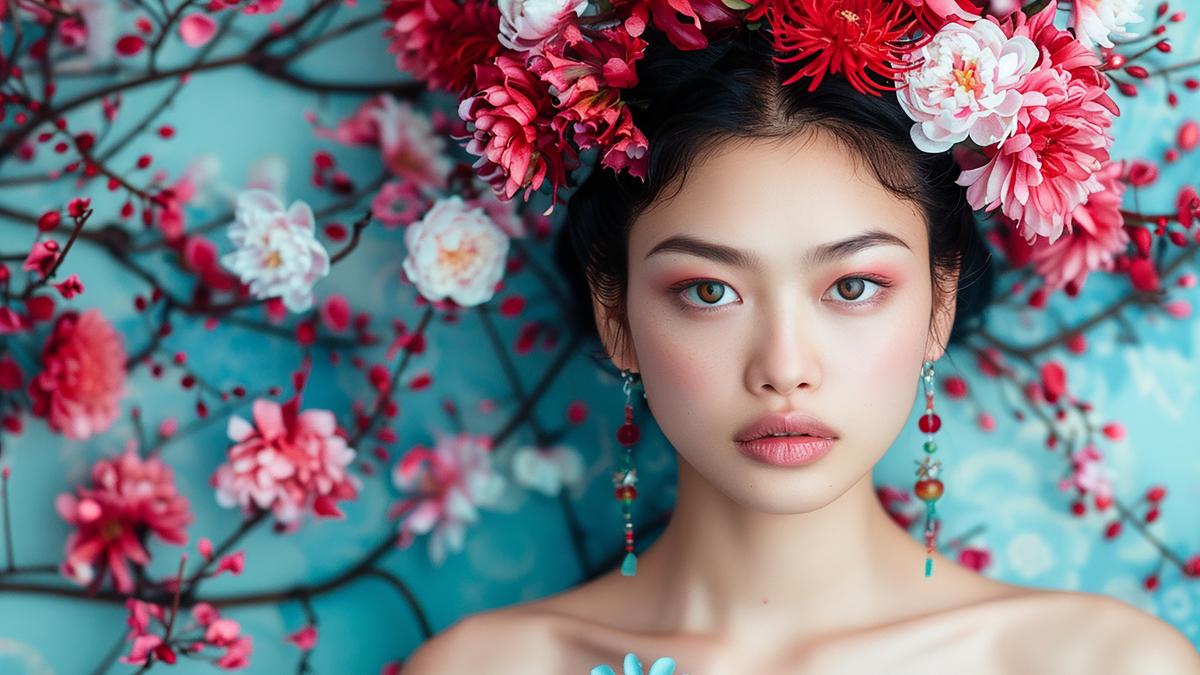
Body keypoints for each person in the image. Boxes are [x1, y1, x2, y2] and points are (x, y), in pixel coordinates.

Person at [402, 26, 1200, 675]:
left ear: (939, 304)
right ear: (617, 317)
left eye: (852, 286)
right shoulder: (485, 668)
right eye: (708, 291)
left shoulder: (1103, 664)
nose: (784, 367)